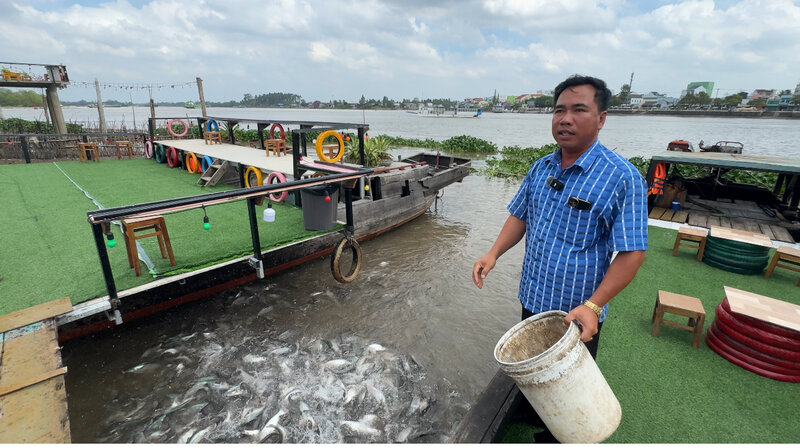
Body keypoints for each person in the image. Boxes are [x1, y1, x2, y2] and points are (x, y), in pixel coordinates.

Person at [472, 75, 648, 441]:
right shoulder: (541, 167)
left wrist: (594, 306)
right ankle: (526, 409)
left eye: (578, 110)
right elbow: (520, 215)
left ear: (601, 118)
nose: (565, 119)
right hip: (534, 297)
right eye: (559, 110)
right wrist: (493, 253)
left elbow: (631, 253)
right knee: (531, 368)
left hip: (576, 310)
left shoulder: (622, 177)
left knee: (570, 390)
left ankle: (556, 436)